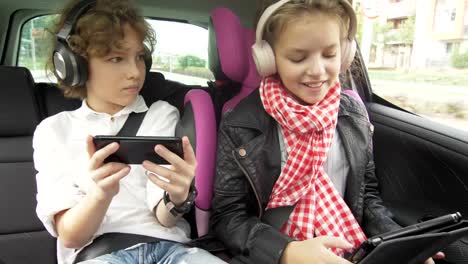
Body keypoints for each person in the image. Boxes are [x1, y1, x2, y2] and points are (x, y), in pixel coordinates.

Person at [210, 0, 444, 263]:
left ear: (345, 53)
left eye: (330, 55)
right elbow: (228, 216)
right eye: (298, 58)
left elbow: (366, 197)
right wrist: (285, 251)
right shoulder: (241, 123)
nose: (317, 71)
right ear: (269, 58)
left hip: (348, 249)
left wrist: (400, 242)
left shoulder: (352, 114)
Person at [33, 0, 227, 263]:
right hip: (101, 254)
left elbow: (163, 215)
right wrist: (100, 195)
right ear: (74, 65)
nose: (135, 72)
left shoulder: (161, 114)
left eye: (139, 57)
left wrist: (178, 198)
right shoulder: (54, 131)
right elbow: (70, 237)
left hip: (173, 250)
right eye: (116, 59)